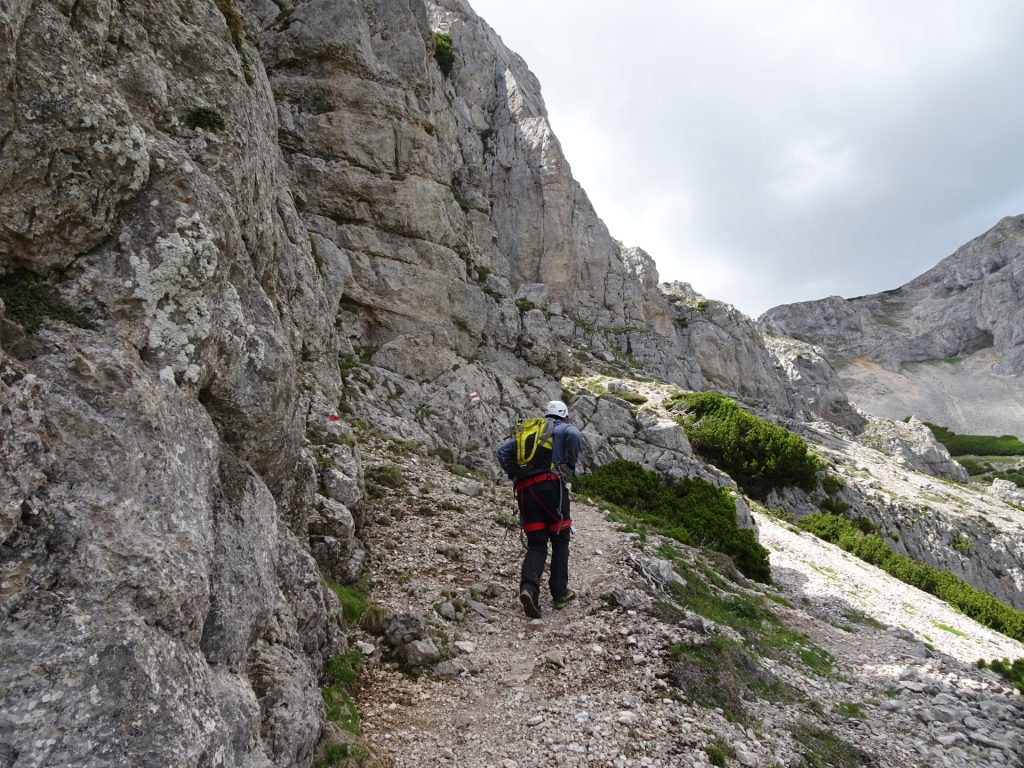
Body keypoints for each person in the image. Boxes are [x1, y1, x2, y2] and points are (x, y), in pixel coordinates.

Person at [495, 400, 583, 618]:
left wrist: (515, 475)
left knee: (537, 544)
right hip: (552, 488)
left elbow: (501, 451)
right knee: (560, 541)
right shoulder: (564, 428)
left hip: (526, 491)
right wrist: (569, 465)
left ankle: (529, 589)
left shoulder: (530, 431)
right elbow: (575, 436)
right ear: (565, 415)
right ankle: (559, 594)